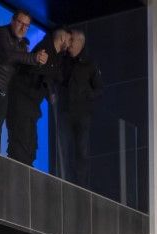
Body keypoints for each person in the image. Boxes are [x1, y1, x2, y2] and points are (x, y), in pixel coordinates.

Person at [0, 9, 39, 152]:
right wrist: (34, 58)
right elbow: (8, 56)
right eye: (20, 23)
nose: (23, 28)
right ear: (13, 21)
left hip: (5, 90)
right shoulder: (1, 33)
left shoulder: (21, 45)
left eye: (26, 25)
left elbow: (21, 67)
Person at [4, 27, 57, 166]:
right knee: (20, 145)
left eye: (27, 25)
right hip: (18, 106)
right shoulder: (21, 73)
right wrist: (33, 59)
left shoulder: (29, 70)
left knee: (30, 145)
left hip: (29, 110)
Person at [56, 30, 100, 183]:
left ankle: (81, 184)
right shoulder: (63, 60)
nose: (68, 44)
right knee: (65, 148)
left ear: (80, 42)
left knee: (81, 150)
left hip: (82, 115)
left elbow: (99, 89)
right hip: (65, 112)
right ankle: (65, 180)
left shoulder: (89, 64)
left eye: (72, 40)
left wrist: (87, 94)